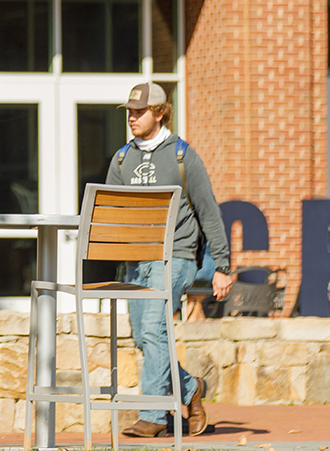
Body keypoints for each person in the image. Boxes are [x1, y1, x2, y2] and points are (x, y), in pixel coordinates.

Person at [106, 82, 233, 439]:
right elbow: (113, 215)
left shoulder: (182, 156)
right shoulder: (121, 159)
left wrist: (222, 266)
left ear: (160, 113)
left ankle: (154, 415)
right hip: (136, 260)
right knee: (146, 338)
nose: (132, 117)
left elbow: (209, 212)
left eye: (139, 111)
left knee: (154, 330)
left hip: (175, 255)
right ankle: (190, 388)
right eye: (129, 111)